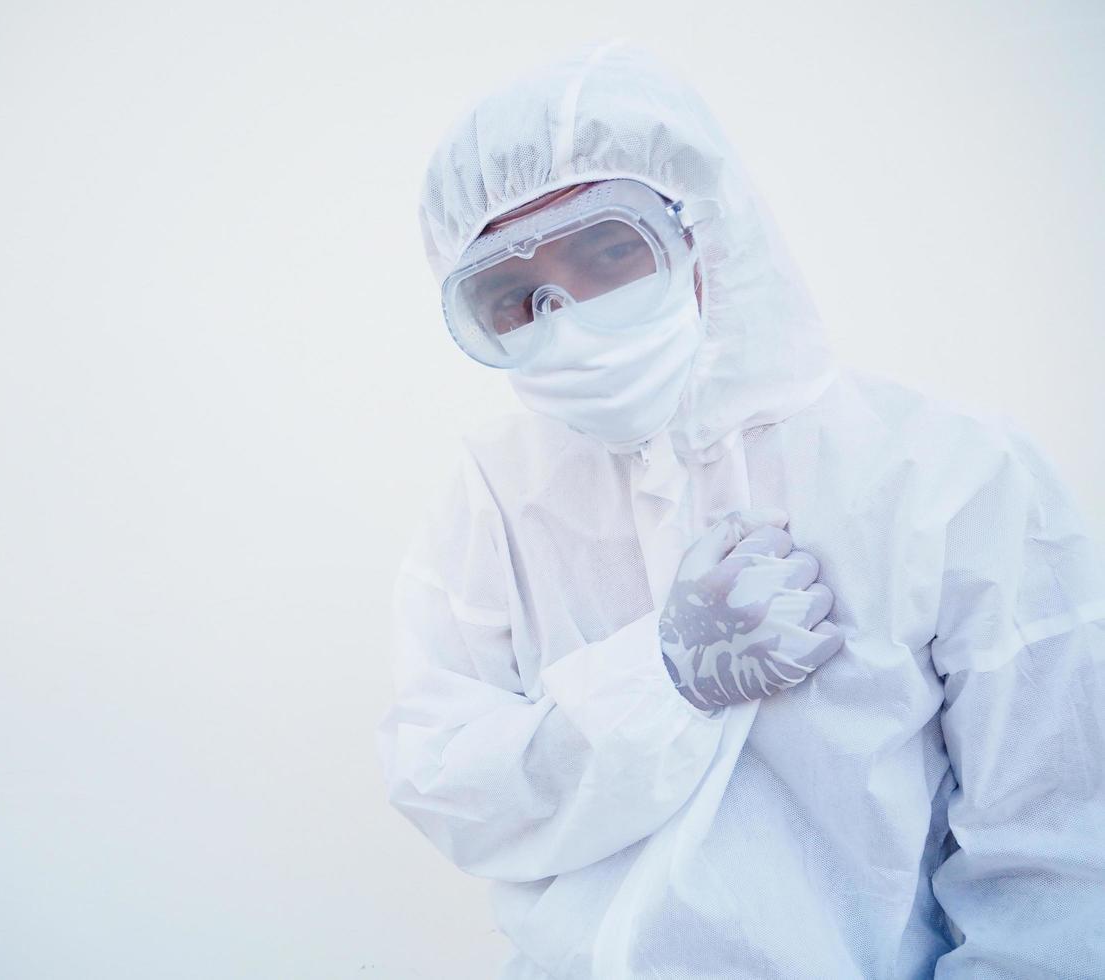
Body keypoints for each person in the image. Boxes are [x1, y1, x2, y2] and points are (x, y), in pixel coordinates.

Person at [375, 40, 1105, 979]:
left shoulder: (950, 476)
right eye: (514, 296)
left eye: (609, 249)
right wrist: (659, 677)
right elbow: (448, 784)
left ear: (707, 232)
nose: (569, 316)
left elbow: (1057, 859)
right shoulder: (496, 491)